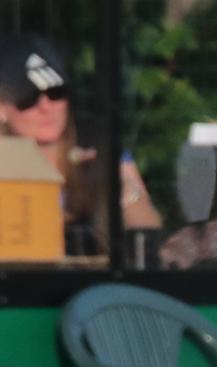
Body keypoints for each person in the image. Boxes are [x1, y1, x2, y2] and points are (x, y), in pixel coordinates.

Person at [0, 33, 161, 257]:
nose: (46, 107)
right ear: (2, 109)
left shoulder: (98, 149)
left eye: (56, 92)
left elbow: (147, 237)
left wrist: (119, 186)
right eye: (28, 99)